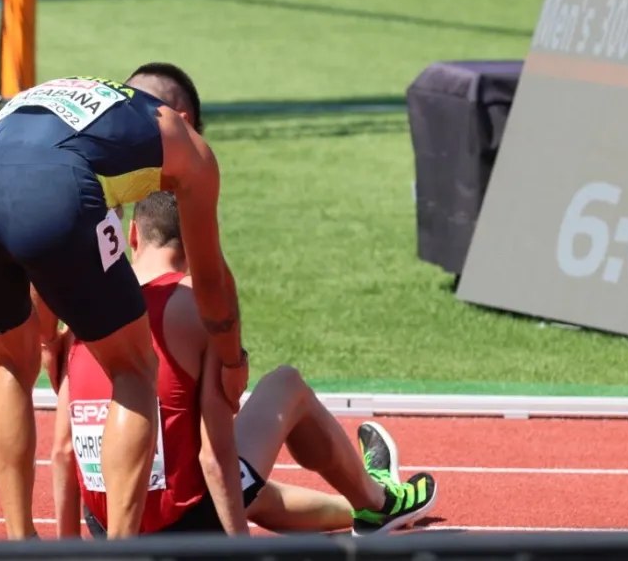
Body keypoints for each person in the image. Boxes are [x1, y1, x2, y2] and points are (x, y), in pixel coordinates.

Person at [0, 64, 248, 539]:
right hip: (50, 189)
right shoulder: (189, 147)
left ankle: (20, 540)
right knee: (134, 369)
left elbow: (44, 252)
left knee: (8, 367)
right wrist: (232, 360)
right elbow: (209, 280)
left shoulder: (90, 109)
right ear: (185, 117)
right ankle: (120, 549)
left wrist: (45, 340)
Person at [44, 191, 438, 538]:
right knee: (286, 385)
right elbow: (214, 459)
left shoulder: (85, 313)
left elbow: (62, 450)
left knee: (248, 487)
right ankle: (377, 500)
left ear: (133, 236)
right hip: (189, 527)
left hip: (107, 524)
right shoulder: (196, 304)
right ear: (201, 242)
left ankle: (369, 509)